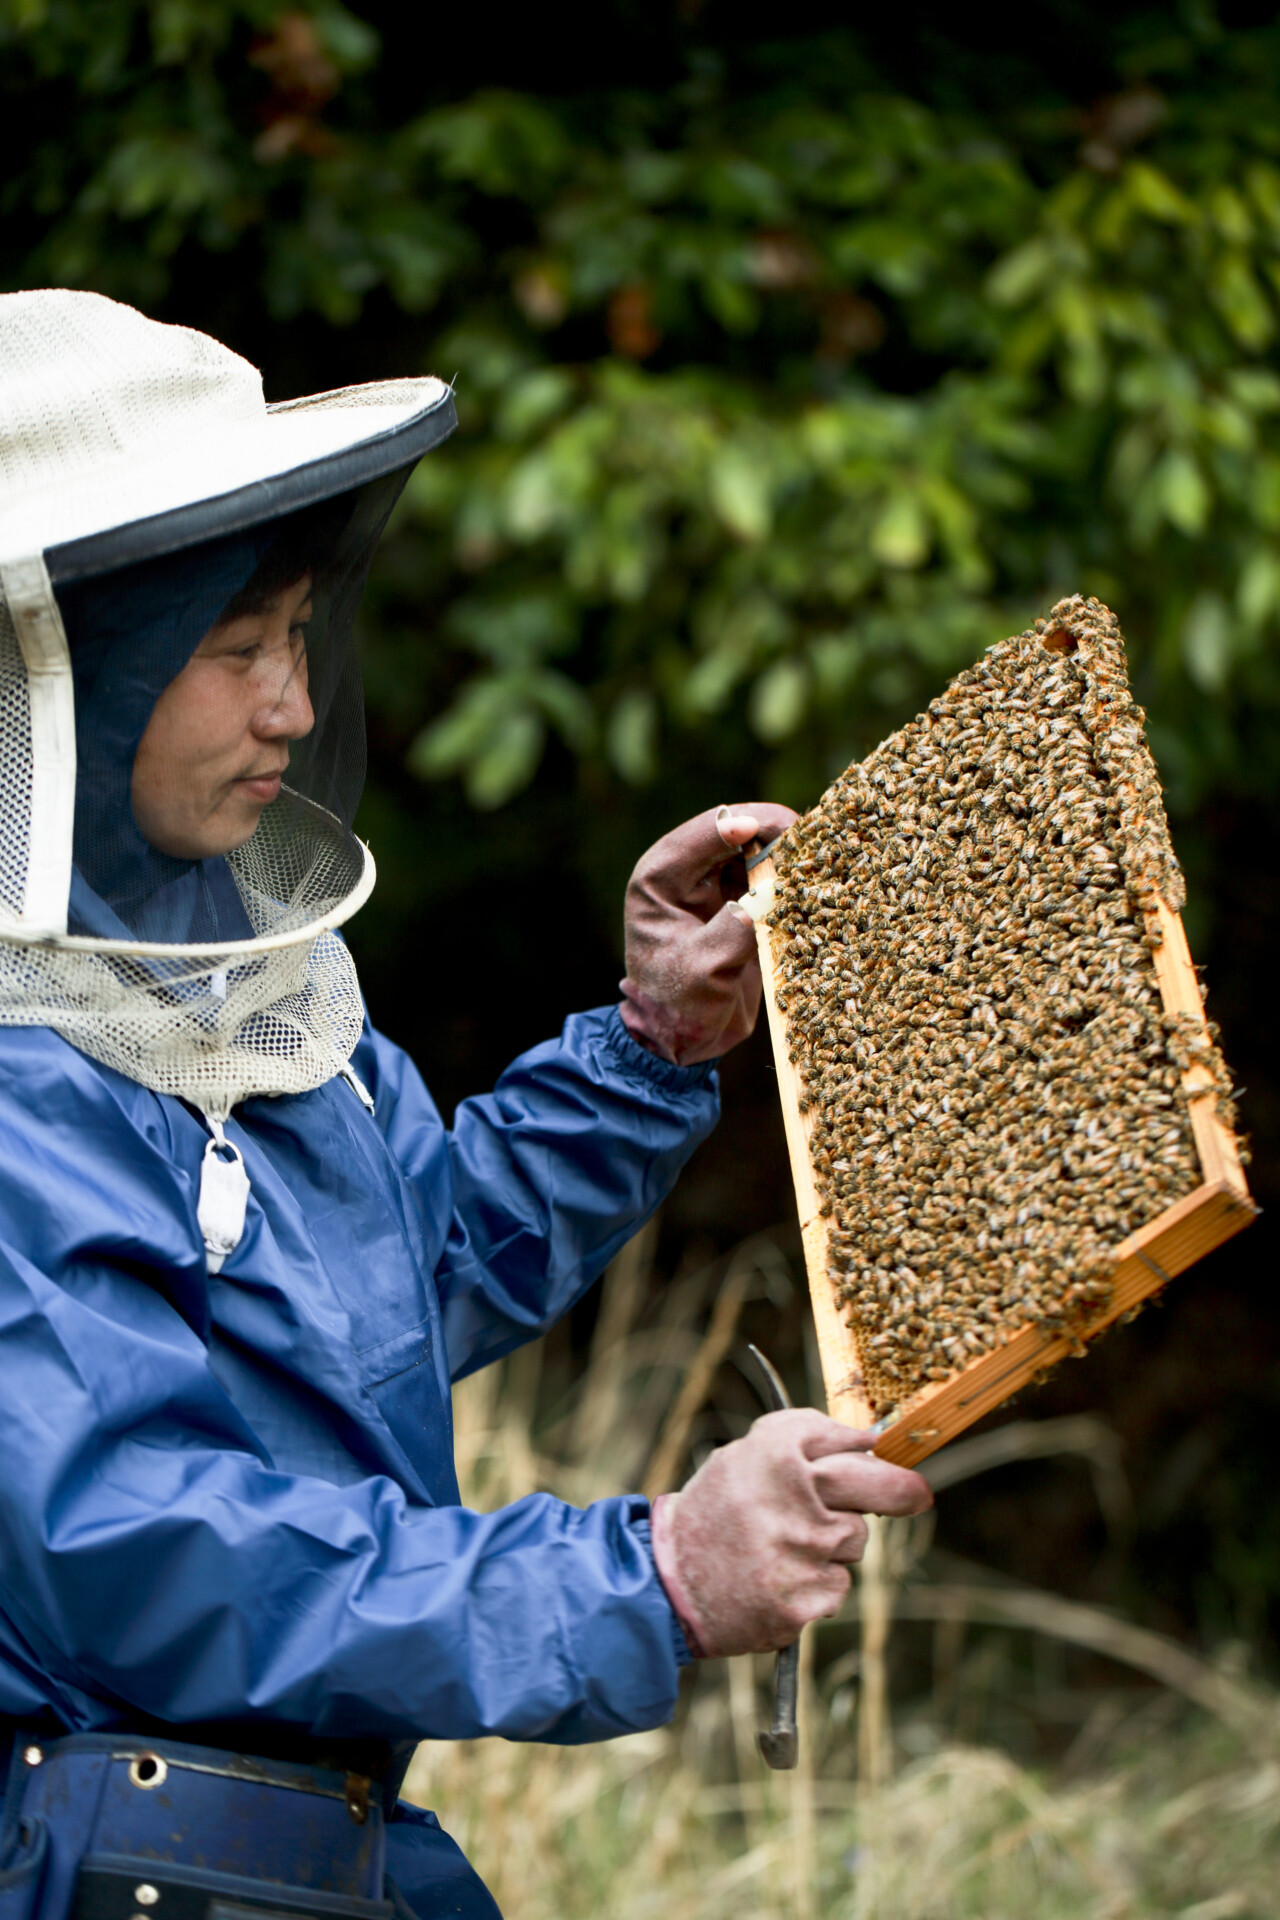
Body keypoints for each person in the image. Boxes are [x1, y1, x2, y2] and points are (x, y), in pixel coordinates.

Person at [0, 290, 930, 1920]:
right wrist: (641, 1574)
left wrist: (646, 1049)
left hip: (311, 1856)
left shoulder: (230, 981)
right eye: (232, 652)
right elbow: (146, 1558)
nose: (289, 704)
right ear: (63, 682)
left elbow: (396, 1288)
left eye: (295, 637)